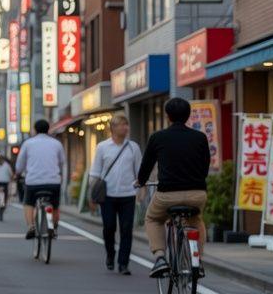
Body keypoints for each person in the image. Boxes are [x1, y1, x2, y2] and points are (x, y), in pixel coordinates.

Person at [137, 98, 211, 278]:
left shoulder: (157, 137)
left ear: (167, 116)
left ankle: (160, 257)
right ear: (188, 115)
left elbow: (146, 167)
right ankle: (197, 260)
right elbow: (205, 167)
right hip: (197, 194)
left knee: (153, 218)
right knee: (196, 220)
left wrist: (140, 181)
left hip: (167, 195)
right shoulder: (200, 137)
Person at [89, 115, 142, 274]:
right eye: (121, 125)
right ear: (112, 128)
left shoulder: (134, 147)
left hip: (128, 194)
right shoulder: (102, 147)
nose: (125, 128)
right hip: (108, 195)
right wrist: (91, 195)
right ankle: (110, 254)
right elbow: (95, 172)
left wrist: (141, 190)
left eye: (126, 125)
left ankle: (123, 263)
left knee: (127, 229)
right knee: (109, 227)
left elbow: (140, 171)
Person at [16, 120, 67, 239]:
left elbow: (19, 165)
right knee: (55, 205)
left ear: (34, 129)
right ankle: (53, 227)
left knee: (28, 203)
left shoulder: (28, 143)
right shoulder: (56, 143)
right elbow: (62, 162)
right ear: (48, 129)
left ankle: (31, 226)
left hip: (33, 182)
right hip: (53, 182)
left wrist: (18, 173)